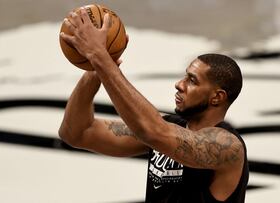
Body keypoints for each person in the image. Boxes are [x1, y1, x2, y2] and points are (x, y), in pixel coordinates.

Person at [58, 8, 248, 203]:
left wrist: (100, 57)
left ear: (217, 97)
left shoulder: (227, 147)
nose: (179, 84)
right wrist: (94, 69)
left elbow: (154, 132)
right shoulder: (167, 127)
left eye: (192, 80)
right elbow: (77, 132)